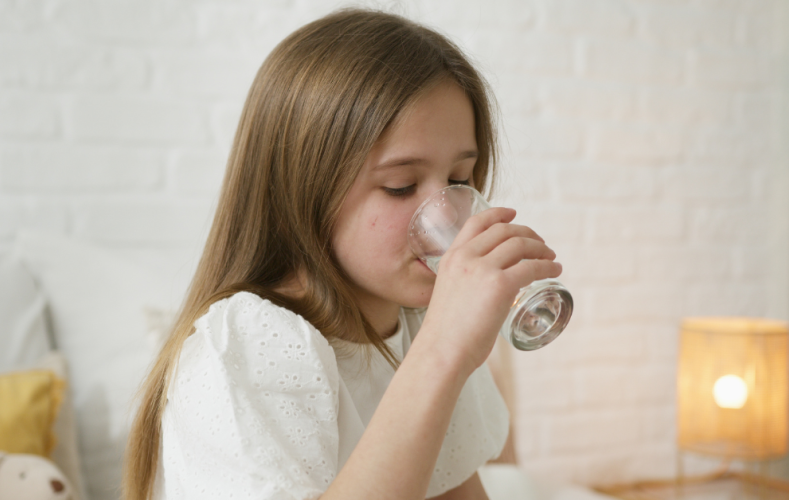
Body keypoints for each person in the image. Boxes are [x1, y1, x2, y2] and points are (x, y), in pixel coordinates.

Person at [123, 8, 561, 500]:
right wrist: (444, 353)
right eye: (400, 186)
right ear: (305, 189)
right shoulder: (251, 341)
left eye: (460, 180)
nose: (448, 215)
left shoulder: (417, 324)